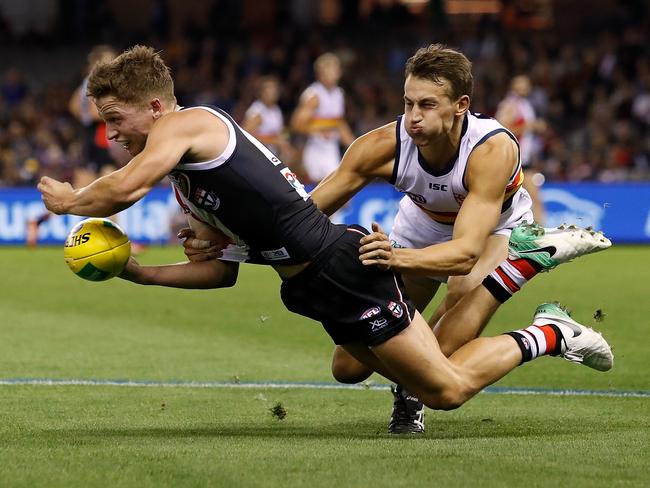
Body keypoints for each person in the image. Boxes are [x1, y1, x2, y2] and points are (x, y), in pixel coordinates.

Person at [38, 46, 613, 433]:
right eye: (406, 103)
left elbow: (123, 189)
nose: (110, 134)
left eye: (116, 118)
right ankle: (458, 344)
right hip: (322, 278)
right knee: (348, 369)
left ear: (157, 108)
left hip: (380, 258)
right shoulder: (190, 185)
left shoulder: (187, 125)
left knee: (446, 386)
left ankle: (548, 324)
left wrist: (71, 201)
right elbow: (232, 263)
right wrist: (141, 270)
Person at [27, 45, 128, 247]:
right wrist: (116, 113)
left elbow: (74, 106)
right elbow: (92, 113)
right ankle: (118, 239)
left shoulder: (85, 83)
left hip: (92, 140)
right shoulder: (96, 84)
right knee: (109, 189)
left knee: (91, 190)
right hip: (97, 141)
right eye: (111, 60)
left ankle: (37, 221)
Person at [290, 52, 355, 184]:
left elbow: (339, 124)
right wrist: (317, 132)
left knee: (338, 191)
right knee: (326, 190)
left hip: (331, 148)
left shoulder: (339, 94)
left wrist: (354, 145)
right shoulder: (314, 95)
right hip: (315, 149)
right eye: (329, 69)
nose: (333, 73)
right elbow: (296, 124)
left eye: (335, 69)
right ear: (320, 73)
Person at [495, 75, 547, 224]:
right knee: (529, 198)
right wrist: (530, 126)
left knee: (533, 198)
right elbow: (501, 129)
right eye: (520, 85)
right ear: (513, 87)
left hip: (524, 159)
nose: (524, 88)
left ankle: (541, 232)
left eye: (526, 85)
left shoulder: (525, 104)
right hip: (512, 159)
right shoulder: (509, 105)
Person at [241, 76, 294, 161]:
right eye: (269, 89)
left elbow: (279, 132)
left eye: (275, 89)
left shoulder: (276, 109)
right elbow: (244, 136)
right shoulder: (257, 112)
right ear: (261, 92)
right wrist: (275, 141)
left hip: (271, 156)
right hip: (257, 157)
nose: (273, 92)